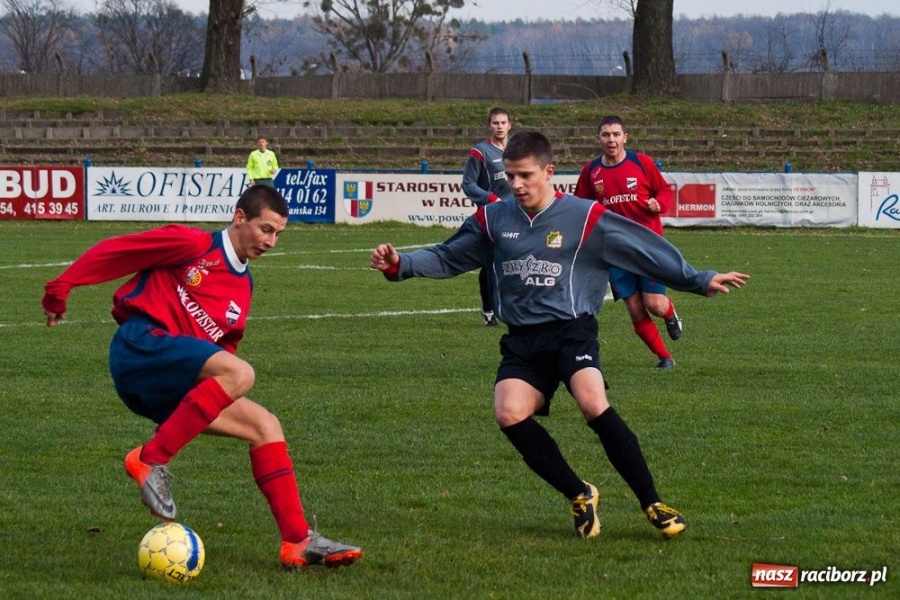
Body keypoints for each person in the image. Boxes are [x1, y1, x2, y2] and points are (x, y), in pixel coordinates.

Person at [370, 131, 748, 540]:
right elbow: (448, 255)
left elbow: (645, 247)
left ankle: (652, 502)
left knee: (592, 402)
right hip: (523, 341)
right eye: (510, 176)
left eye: (525, 175)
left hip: (572, 333)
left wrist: (698, 279)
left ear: (550, 172)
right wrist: (400, 264)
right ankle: (580, 493)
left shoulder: (585, 217)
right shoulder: (493, 218)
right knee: (508, 412)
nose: (515, 185)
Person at [41, 185, 362, 570]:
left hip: (171, 382)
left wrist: (191, 407)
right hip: (140, 348)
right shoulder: (191, 243)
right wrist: (60, 288)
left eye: (278, 234)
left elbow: (221, 353)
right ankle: (150, 459)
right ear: (239, 217)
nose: (272, 242)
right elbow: (117, 250)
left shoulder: (243, 287)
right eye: (265, 229)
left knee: (265, 425)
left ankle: (296, 541)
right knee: (241, 374)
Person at [574, 114, 682, 369]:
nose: (611, 140)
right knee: (634, 308)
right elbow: (581, 204)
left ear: (625, 137)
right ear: (598, 138)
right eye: (605, 135)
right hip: (615, 251)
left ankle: (669, 314)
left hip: (648, 245)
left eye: (615, 134)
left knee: (654, 304)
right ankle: (665, 357)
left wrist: (659, 204)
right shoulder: (591, 171)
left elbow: (664, 190)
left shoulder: (641, 162)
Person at [462, 107, 513, 326]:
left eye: (503, 123)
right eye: (495, 123)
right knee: (491, 263)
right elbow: (468, 184)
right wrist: (491, 199)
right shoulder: (480, 151)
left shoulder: (518, 149)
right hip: (491, 215)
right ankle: (489, 309)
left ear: (510, 125)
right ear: (489, 125)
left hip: (518, 215)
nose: (499, 127)